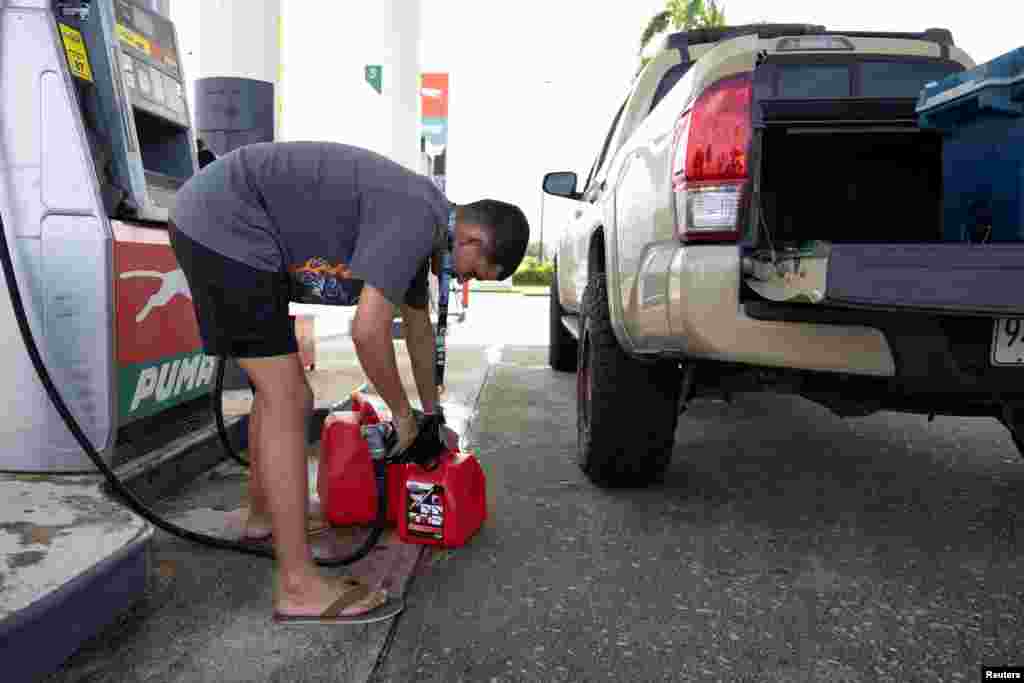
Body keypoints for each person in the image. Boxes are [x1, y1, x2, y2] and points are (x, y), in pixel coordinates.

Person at [168, 141, 529, 622]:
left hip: (225, 221)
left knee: (278, 393)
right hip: (226, 224)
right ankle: (298, 586)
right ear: (473, 242)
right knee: (288, 395)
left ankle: (263, 517)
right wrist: (400, 414)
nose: (463, 281)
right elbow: (367, 330)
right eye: (474, 274)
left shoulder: (424, 222)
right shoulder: (417, 217)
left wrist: (429, 413)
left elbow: (418, 329)